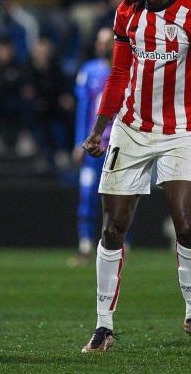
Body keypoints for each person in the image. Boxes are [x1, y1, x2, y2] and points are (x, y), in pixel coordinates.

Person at [80, 0, 191, 353]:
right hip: (130, 128)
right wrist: (99, 127)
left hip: (180, 132)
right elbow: (119, 74)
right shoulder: (126, 13)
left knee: (186, 224)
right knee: (113, 228)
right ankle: (103, 325)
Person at [69, 28, 114, 267]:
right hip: (93, 147)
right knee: (87, 195)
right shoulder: (89, 72)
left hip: (117, 147)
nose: (103, 46)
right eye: (100, 41)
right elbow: (83, 110)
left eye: (107, 41)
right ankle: (85, 244)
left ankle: (117, 246)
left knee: (117, 199)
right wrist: (79, 142)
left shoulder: (127, 71)